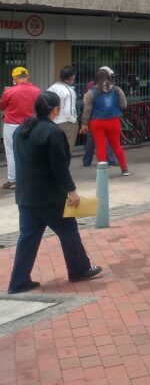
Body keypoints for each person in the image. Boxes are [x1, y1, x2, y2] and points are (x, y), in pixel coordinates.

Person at [6, 91, 102, 294]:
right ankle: (79, 269)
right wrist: (72, 192)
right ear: (55, 109)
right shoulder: (53, 133)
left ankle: (18, 281)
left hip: (26, 195)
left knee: (28, 238)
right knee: (68, 231)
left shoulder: (22, 129)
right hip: (49, 196)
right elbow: (59, 167)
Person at [80, 68, 130, 176]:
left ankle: (103, 172)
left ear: (96, 78)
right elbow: (124, 105)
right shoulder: (117, 90)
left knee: (100, 146)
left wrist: (84, 123)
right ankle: (124, 169)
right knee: (116, 145)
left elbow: (87, 109)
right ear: (109, 77)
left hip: (96, 122)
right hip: (113, 121)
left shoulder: (91, 92)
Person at [2, 67, 41, 190]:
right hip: (31, 124)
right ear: (27, 77)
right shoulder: (37, 91)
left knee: (11, 152)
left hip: (12, 125)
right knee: (30, 150)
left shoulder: (9, 92)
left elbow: (2, 106)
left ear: (14, 78)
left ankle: (13, 180)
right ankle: (31, 177)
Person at [47, 66, 79, 155]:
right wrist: (74, 121)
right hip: (66, 123)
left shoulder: (51, 88)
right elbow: (69, 111)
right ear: (72, 77)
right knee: (66, 151)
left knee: (53, 150)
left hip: (52, 121)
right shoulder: (69, 91)